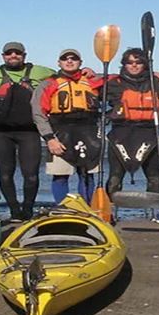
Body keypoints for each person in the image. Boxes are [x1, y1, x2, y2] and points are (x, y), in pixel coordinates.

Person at [0, 42, 56, 222]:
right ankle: (14, 210)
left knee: (30, 174)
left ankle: (28, 209)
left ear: (24, 55)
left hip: (29, 130)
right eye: (9, 53)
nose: (13, 56)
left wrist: (87, 71)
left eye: (17, 53)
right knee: (5, 173)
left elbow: (64, 77)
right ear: (3, 56)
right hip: (1, 131)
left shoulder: (41, 71)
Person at [32, 48, 104, 203]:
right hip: (60, 133)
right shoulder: (48, 83)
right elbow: (38, 113)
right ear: (59, 63)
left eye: (74, 59)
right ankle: (62, 209)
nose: (69, 61)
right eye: (65, 59)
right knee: (60, 175)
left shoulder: (93, 82)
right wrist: (50, 138)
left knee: (87, 174)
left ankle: (87, 208)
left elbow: (119, 82)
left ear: (80, 63)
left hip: (88, 133)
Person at [102, 47, 159, 200]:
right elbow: (90, 88)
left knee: (155, 177)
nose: (134, 65)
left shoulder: (156, 82)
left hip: (148, 133)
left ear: (145, 64)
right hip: (121, 133)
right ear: (124, 64)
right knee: (115, 177)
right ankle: (109, 210)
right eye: (129, 62)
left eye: (138, 62)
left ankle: (156, 211)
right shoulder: (113, 84)